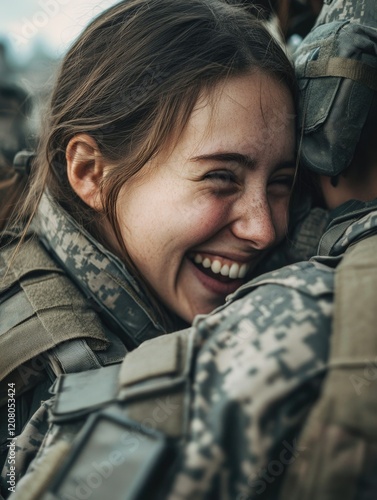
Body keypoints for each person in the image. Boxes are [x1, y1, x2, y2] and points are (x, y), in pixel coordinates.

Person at [5, 0, 377, 499]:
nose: (263, 229)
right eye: (221, 178)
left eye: (281, 183)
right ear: (90, 172)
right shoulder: (65, 387)